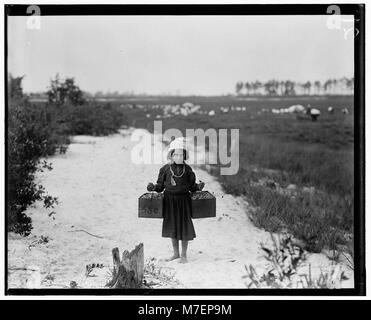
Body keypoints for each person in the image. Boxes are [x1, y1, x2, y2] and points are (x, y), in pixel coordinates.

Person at [147, 137, 205, 263]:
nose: (178, 157)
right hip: (169, 201)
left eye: (181, 154)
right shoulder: (165, 170)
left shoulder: (188, 170)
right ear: (171, 155)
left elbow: (192, 186)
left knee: (184, 227)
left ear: (184, 155)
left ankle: (184, 255)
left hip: (183, 201)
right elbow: (160, 187)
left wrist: (198, 187)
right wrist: (153, 187)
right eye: (176, 154)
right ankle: (176, 253)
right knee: (172, 227)